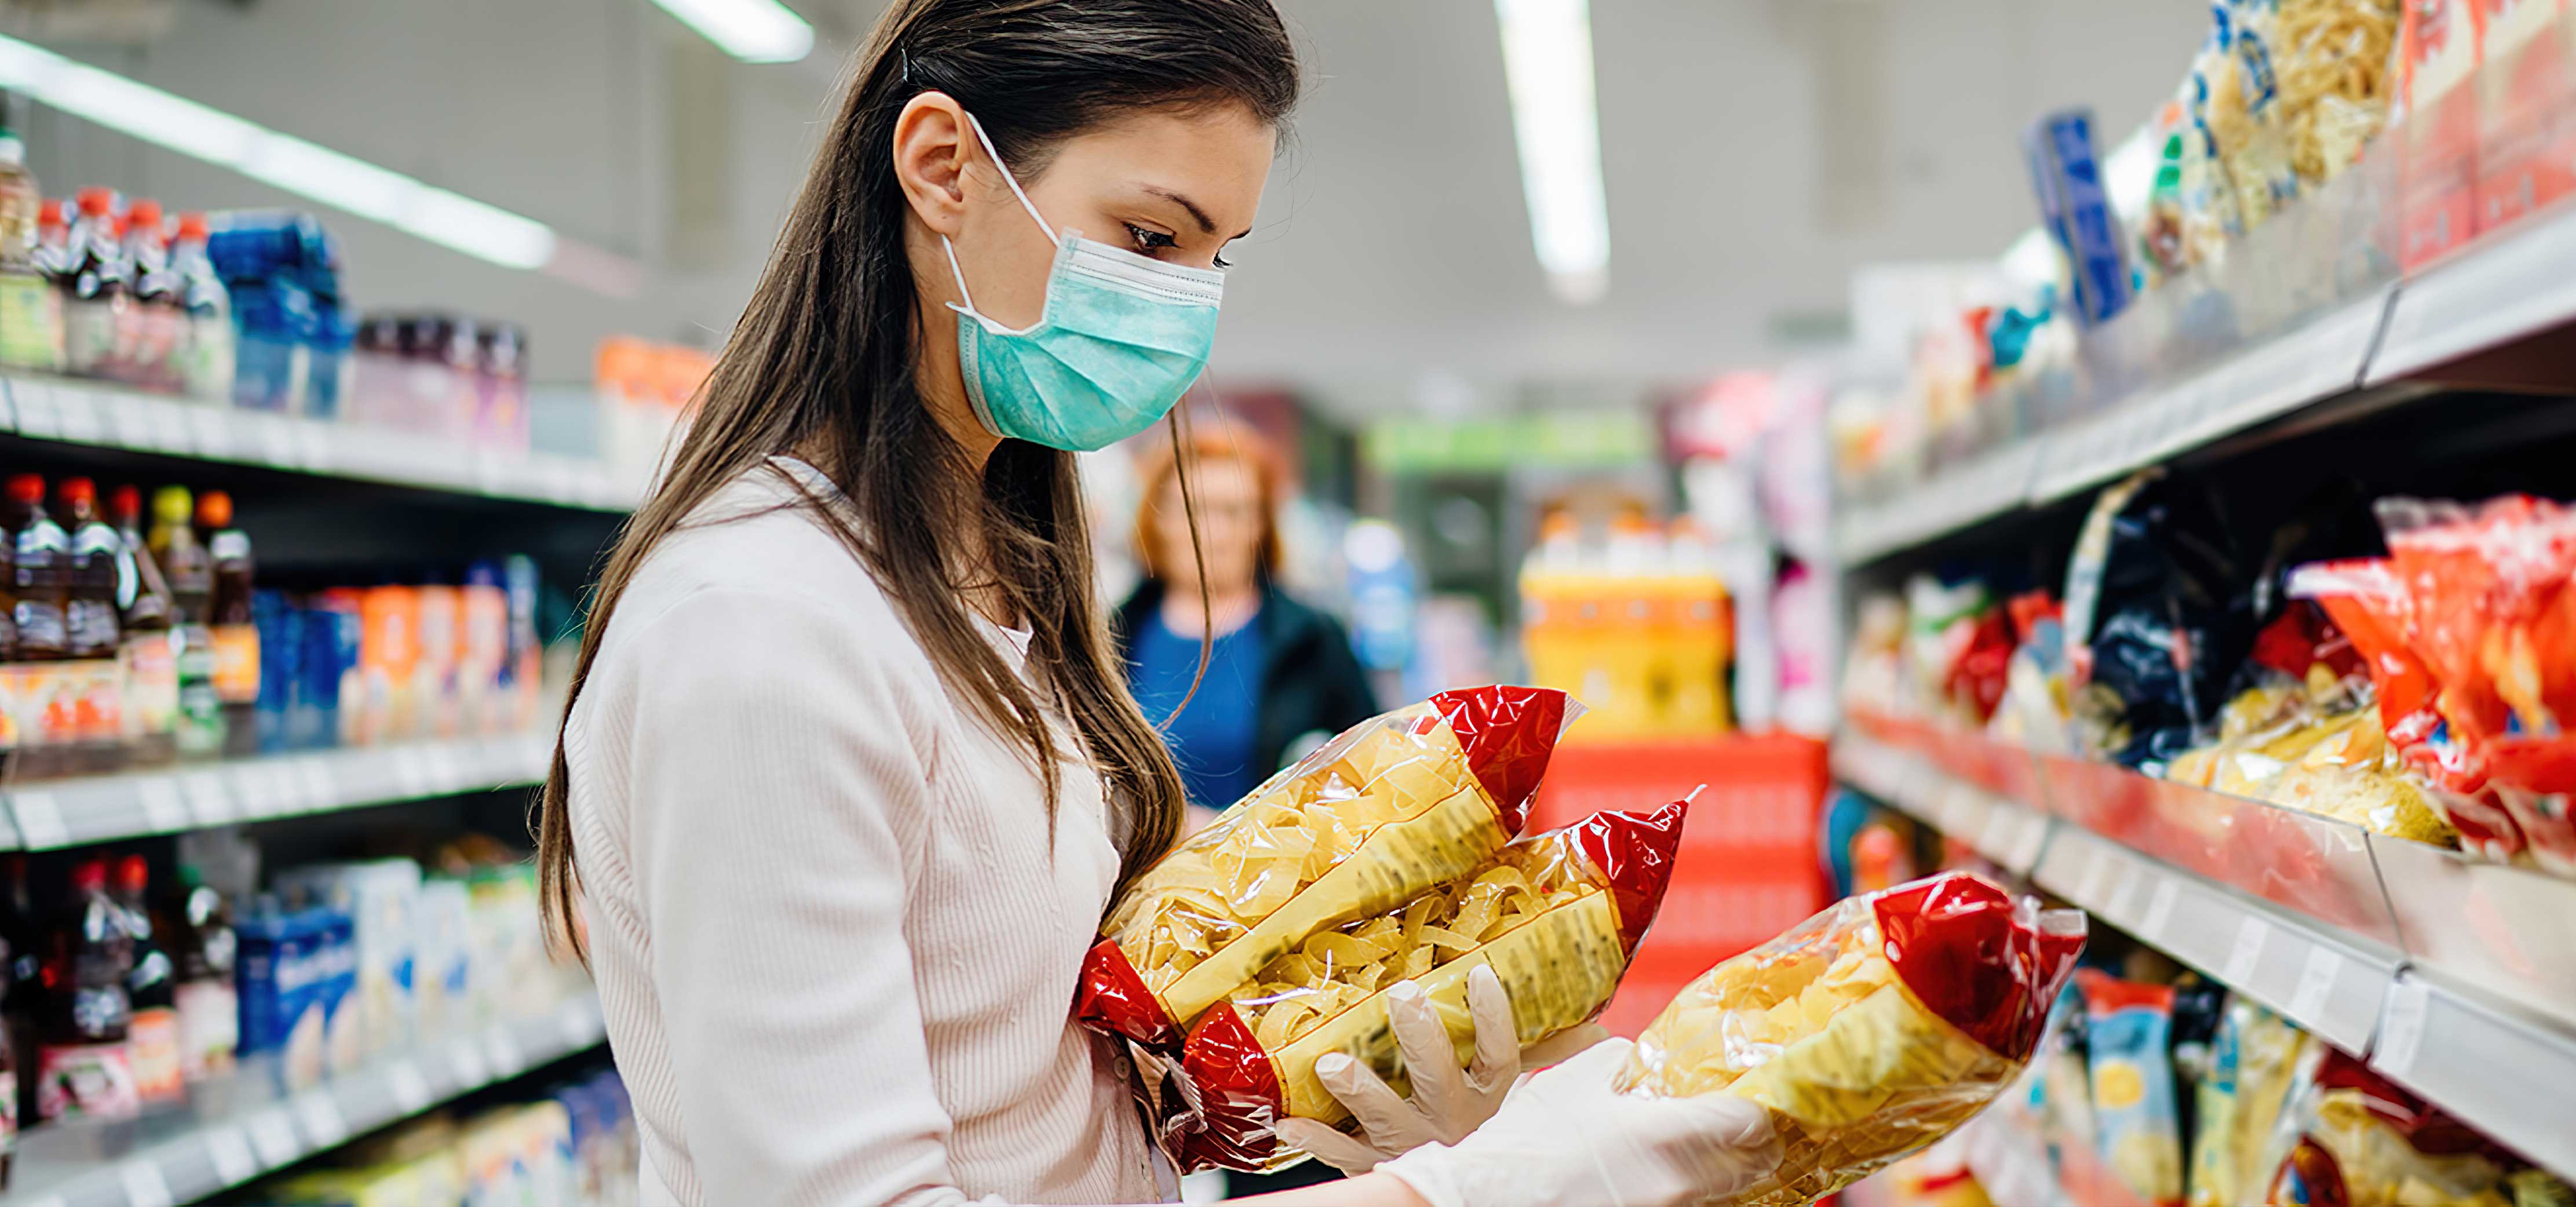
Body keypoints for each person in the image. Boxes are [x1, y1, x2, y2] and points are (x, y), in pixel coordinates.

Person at [533, 2, 1778, 1205]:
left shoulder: (992, 587)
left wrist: (1275, 1070)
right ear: (940, 166)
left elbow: (1009, 1067)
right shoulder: (761, 630)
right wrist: (1459, 1194)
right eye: (1148, 238)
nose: (1185, 308)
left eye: (1214, 255)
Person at [1115, 427, 1376, 837]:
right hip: (1136, 884)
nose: (1214, 533)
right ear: (1157, 519)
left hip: (1280, 886)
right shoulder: (1109, 637)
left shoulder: (1313, 638)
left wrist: (1230, 829)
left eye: (1234, 511)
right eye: (1193, 510)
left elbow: (1373, 776)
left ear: (1261, 523)